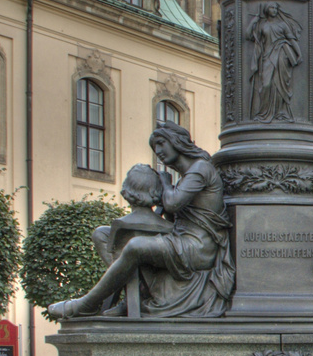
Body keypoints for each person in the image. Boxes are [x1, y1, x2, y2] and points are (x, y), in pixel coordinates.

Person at [49, 124, 234, 320]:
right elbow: (175, 215)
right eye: (155, 148)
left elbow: (172, 204)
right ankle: (133, 296)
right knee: (104, 234)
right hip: (180, 240)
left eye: (161, 143)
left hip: (198, 248)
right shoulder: (185, 179)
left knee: (136, 246)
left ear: (177, 142)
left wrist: (164, 183)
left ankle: (86, 304)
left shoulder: (201, 168)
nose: (159, 152)